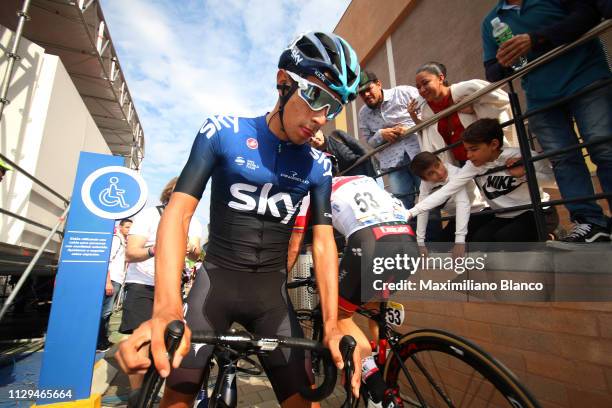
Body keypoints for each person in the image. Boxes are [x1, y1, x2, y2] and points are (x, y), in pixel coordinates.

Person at [115, 31, 362, 407]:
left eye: (334, 107)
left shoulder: (320, 166)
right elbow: (179, 213)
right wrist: (165, 308)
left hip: (272, 299)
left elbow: (324, 242)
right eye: (315, 96)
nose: (321, 118)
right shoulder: (222, 132)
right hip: (215, 287)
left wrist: (331, 322)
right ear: (283, 82)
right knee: (174, 398)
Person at [481, 0, 612, 246]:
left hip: (585, 79)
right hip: (540, 96)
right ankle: (589, 222)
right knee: (563, 159)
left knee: (603, 147)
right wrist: (504, 62)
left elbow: (590, 13)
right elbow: (492, 71)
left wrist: (535, 39)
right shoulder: (491, 21)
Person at [289, 174, 416, 408]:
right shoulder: (363, 179)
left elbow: (297, 240)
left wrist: (279, 278)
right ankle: (384, 361)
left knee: (337, 316)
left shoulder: (312, 187)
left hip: (371, 243)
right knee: (371, 306)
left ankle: (376, 387)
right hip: (407, 240)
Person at [407, 118, 556, 242]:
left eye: (474, 149)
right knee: (479, 240)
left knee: (504, 238)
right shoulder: (472, 166)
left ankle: (547, 238)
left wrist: (525, 174)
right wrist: (412, 212)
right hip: (503, 215)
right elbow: (446, 190)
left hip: (537, 210)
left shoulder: (519, 155)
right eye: (467, 150)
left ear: (493, 144)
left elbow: (552, 181)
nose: (469, 155)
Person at [118, 177, 202, 398]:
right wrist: (156, 249)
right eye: (181, 191)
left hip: (174, 287)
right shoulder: (148, 214)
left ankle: (160, 384)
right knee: (141, 339)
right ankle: (139, 395)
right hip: (143, 285)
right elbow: (131, 252)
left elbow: (196, 253)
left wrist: (193, 250)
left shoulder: (194, 221)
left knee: (171, 340)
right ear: (169, 193)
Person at [409, 62, 514, 166]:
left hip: (487, 156)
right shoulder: (426, 109)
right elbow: (428, 132)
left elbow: (502, 100)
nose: (422, 89)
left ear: (440, 78)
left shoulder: (466, 89)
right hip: (461, 162)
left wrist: (475, 107)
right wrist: (414, 117)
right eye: (418, 87)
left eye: (426, 83)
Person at [358, 71, 421, 209]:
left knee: (428, 199)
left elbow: (427, 112)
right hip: (394, 165)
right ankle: (408, 231)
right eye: (362, 93)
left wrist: (407, 128)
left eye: (368, 89)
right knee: (402, 205)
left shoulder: (403, 93)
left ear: (379, 84)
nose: (366, 95)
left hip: (419, 155)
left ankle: (431, 232)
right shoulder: (363, 114)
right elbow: (369, 143)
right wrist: (381, 134)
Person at [409, 152, 486, 257]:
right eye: (431, 173)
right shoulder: (425, 184)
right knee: (440, 246)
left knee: (470, 245)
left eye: (437, 166)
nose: (439, 173)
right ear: (424, 179)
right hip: (456, 218)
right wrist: (420, 242)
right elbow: (423, 210)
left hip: (479, 212)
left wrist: (459, 241)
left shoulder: (455, 173)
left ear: (441, 161)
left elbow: (462, 204)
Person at [97, 218, 132, 352]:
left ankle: (103, 339)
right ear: (120, 227)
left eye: (131, 228)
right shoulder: (116, 240)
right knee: (105, 311)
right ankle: (100, 342)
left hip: (117, 280)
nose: (129, 230)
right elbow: (106, 261)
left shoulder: (123, 242)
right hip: (112, 280)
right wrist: (107, 282)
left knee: (107, 311)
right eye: (127, 227)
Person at [309, 129, 376, 177]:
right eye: (310, 140)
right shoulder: (316, 157)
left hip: (364, 174)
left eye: (314, 135)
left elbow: (364, 152)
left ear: (320, 132)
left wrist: (372, 176)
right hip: (346, 185)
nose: (314, 140)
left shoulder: (336, 135)